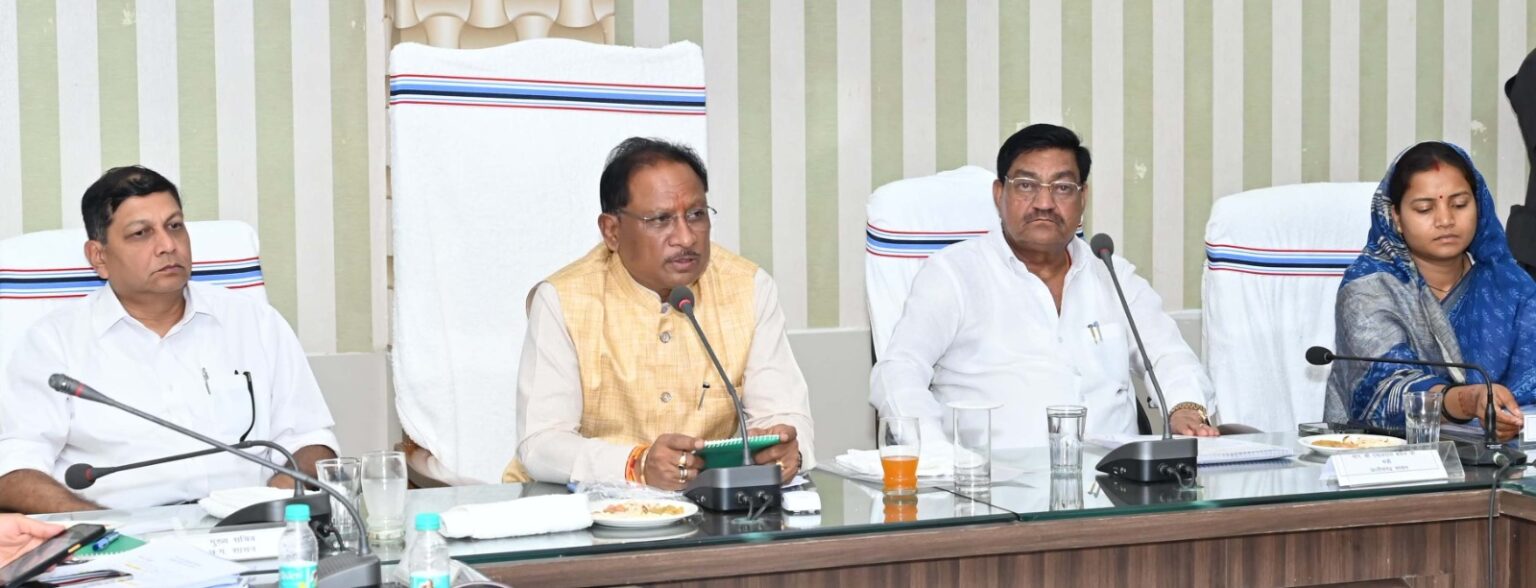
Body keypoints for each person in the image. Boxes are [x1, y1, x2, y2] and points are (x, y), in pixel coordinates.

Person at [0, 166, 340, 513]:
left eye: (174, 226)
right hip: (119, 535)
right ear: (99, 257)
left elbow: (310, 441)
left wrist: (274, 502)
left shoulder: (255, 323)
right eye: (141, 233)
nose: (167, 246)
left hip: (248, 525)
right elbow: (14, 470)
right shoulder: (53, 342)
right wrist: (103, 527)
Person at [870, 124, 1219, 449]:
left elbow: (1169, 355)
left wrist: (1186, 408)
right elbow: (899, 370)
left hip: (1114, 482)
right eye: (1026, 185)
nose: (1044, 203)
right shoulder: (953, 274)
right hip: (992, 485)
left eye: (1062, 188)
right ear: (999, 194)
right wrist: (936, 454)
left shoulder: (1111, 274)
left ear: (1083, 198)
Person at [513, 137, 815, 489]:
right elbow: (541, 443)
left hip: (704, 507)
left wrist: (787, 450)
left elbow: (783, 412)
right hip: (576, 507)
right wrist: (635, 465)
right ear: (612, 231)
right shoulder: (564, 299)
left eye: (696, 215)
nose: (686, 238)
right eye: (660, 220)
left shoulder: (748, 288)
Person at [1326, 142, 1536, 440]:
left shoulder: (1511, 287)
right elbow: (1380, 393)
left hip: (1504, 456)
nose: (1445, 220)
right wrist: (1468, 401)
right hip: (1383, 455)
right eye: (1424, 208)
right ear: (1396, 217)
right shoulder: (1369, 290)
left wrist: (1507, 416)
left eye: (1459, 204)